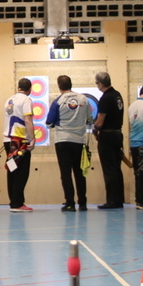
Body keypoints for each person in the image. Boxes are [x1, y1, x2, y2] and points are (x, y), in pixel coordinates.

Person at [46, 75, 90, 212]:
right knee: (79, 172)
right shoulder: (83, 99)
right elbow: (89, 119)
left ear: (59, 86)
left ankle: (70, 203)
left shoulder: (58, 101)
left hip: (63, 141)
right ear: (71, 84)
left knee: (66, 174)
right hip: (79, 141)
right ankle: (82, 203)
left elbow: (49, 123)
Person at [92, 71, 126, 209]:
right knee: (116, 168)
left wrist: (94, 128)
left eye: (97, 83)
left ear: (101, 84)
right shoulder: (117, 95)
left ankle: (112, 200)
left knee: (109, 169)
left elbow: (100, 122)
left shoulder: (105, 98)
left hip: (107, 136)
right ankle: (118, 199)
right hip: (117, 134)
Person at [3, 78, 36, 212]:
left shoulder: (9, 100)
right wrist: (32, 138)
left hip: (8, 140)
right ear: (30, 88)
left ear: (18, 87)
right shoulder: (26, 100)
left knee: (12, 170)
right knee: (21, 172)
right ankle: (17, 203)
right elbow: (27, 120)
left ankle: (13, 201)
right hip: (20, 141)